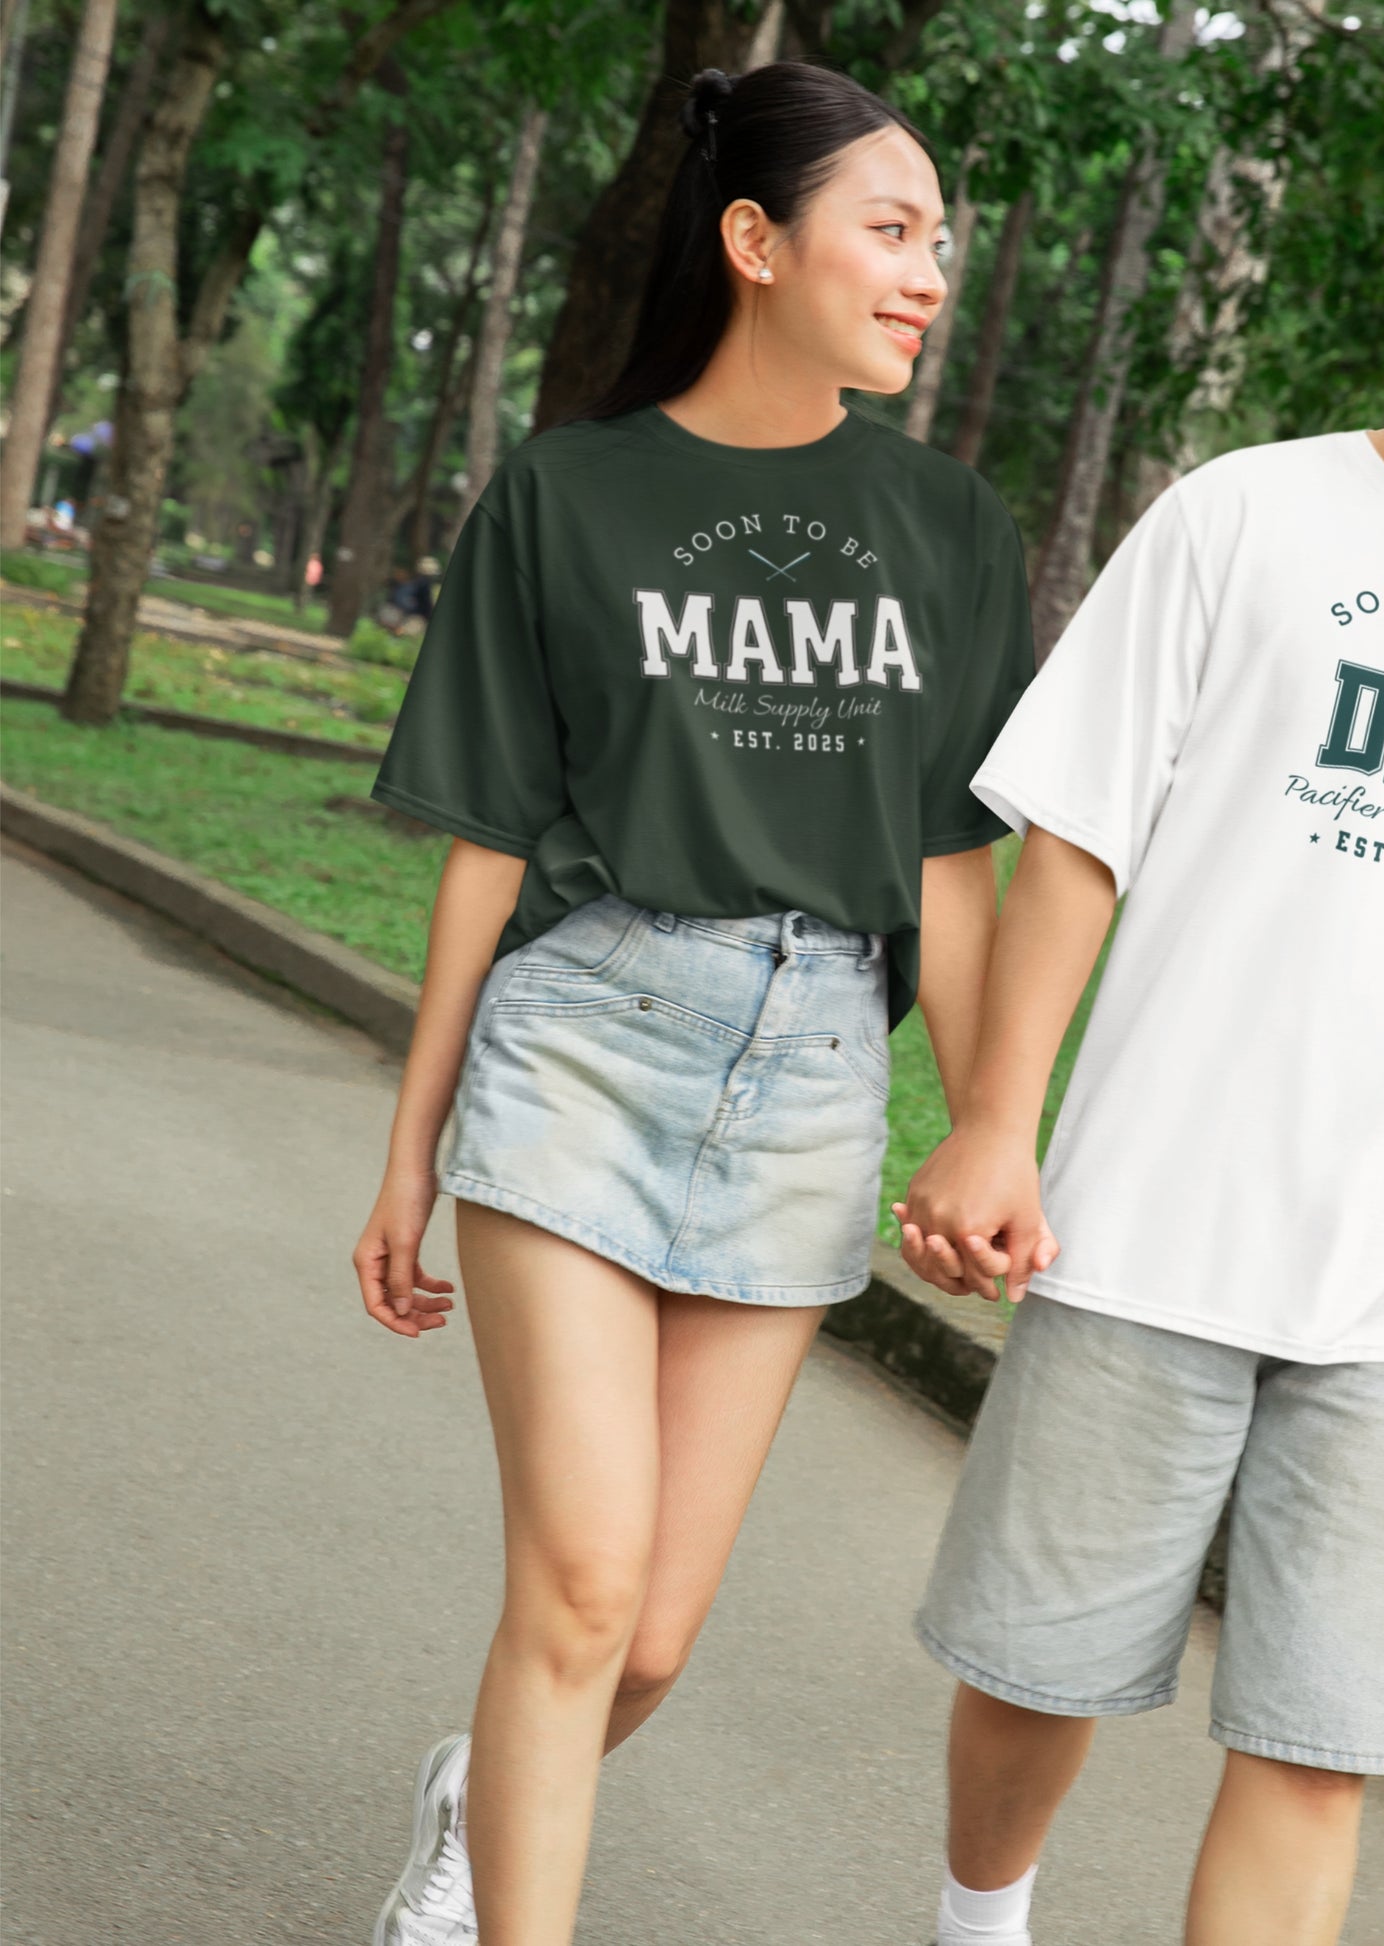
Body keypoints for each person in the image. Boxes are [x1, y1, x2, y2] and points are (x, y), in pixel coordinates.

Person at [894, 109, 1384, 1946]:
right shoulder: (1240, 514)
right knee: (1039, 1663)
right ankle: (977, 1923)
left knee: (1318, 1738)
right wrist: (996, 1118)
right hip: (1150, 1219)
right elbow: (1077, 834)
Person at [353, 63, 1033, 1946]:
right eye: (888, 231)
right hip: (581, 1038)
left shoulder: (955, 533)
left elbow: (954, 866)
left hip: (811, 1074)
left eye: (939, 243)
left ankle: (473, 1803)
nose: (926, 276)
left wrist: (990, 1131)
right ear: (754, 241)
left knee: (646, 1634)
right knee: (575, 1589)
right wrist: (409, 1154)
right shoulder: (570, 493)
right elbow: (487, 842)